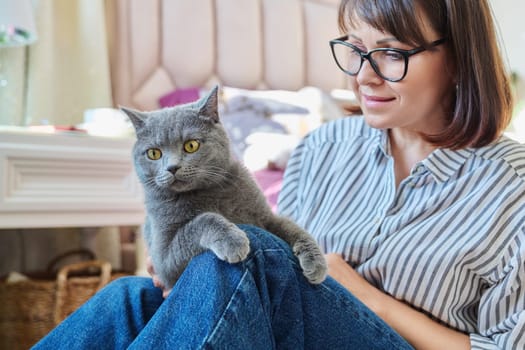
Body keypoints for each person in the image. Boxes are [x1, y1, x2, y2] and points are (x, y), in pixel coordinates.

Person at [33, 0, 524, 349]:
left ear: (458, 58)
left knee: (250, 254)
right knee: (130, 299)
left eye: (391, 52)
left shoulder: (512, 187)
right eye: (354, 48)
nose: (363, 76)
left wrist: (367, 299)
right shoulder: (320, 148)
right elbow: (273, 294)